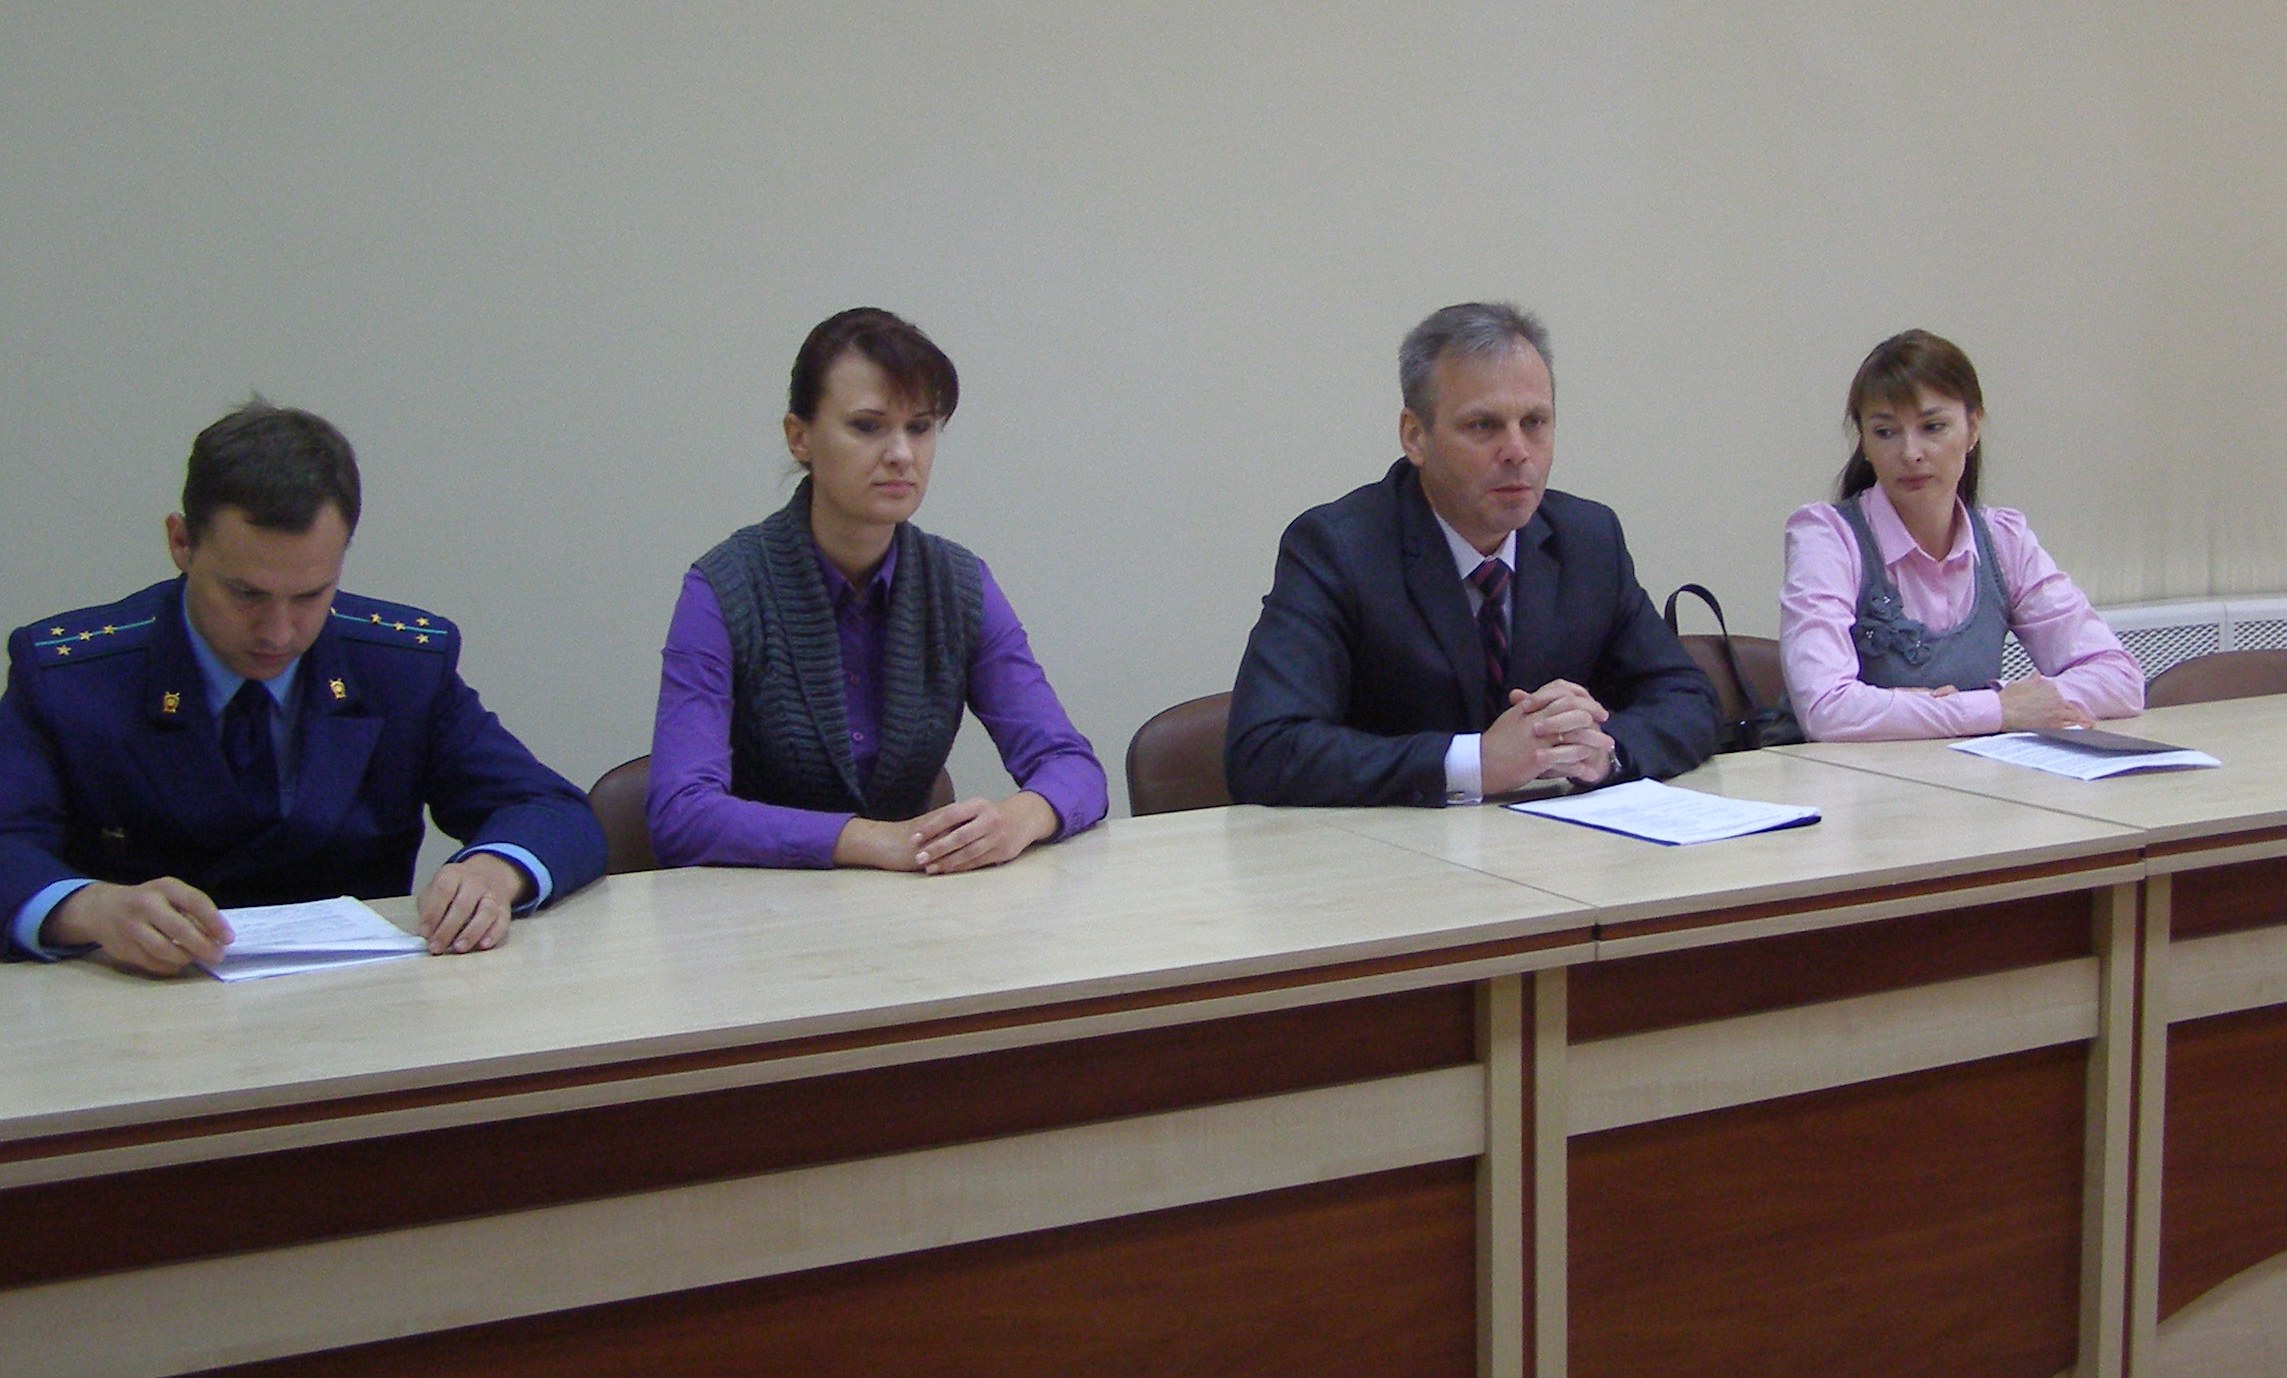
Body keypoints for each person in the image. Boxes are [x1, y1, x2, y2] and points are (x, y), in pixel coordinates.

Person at [0, 401, 607, 974]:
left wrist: (494, 871)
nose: (278, 631)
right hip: (139, 1007)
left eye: (311, 595)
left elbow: (550, 809)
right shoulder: (73, 678)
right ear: (181, 543)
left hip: (356, 1005)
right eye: (246, 594)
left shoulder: (399, 667)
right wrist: (88, 909)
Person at [647, 307, 1107, 873]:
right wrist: (871, 841)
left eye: (920, 427)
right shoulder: (723, 589)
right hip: (755, 905)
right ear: (799, 438)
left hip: (908, 902)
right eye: (867, 426)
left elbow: (1073, 766)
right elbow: (680, 814)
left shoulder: (958, 583)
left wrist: (1019, 819)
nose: (901, 454)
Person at [1225, 302, 1719, 807]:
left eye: (1534, 421)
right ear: (1415, 436)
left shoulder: (1587, 539)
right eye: (1483, 426)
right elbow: (1265, 751)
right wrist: (1475, 762)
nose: (1517, 451)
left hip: (1555, 843)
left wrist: (1602, 752)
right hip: (1391, 847)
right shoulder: (1337, 548)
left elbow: (1688, 699)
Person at [1779, 329, 2144, 740]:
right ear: (1863, 441)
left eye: (1933, 427)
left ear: (1972, 428)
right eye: (1885, 432)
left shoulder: (2004, 539)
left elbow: (2120, 679)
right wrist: (1997, 710)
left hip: (1968, 774)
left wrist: (2004, 701)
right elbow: (1825, 709)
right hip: (1845, 777)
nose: (1910, 453)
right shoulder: (1828, 537)